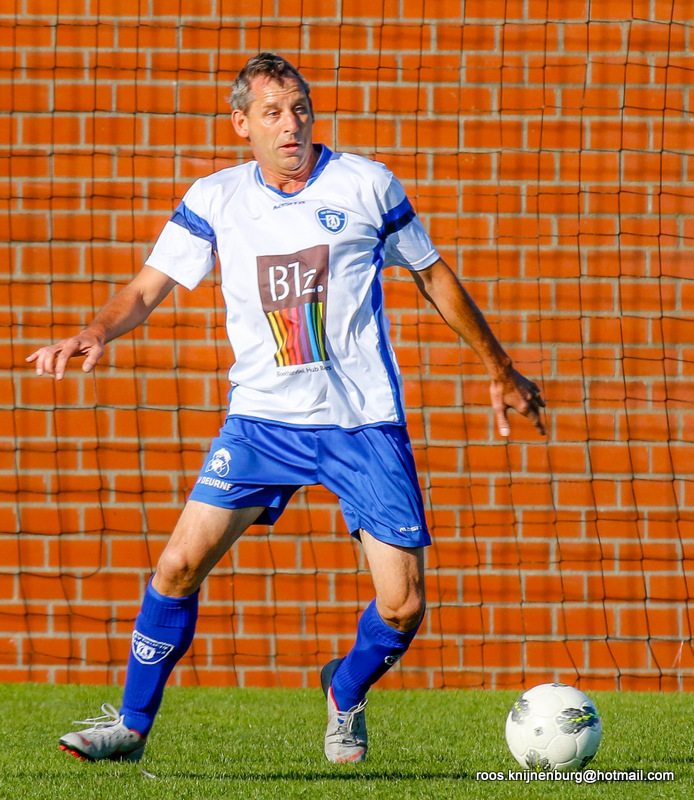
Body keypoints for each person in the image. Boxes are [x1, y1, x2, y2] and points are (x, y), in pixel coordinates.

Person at [27, 53, 546, 765]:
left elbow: (434, 276)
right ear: (242, 124)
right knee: (177, 566)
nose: (291, 124)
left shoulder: (367, 184)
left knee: (403, 607)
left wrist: (500, 368)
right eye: (272, 112)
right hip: (262, 424)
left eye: (300, 107)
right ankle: (132, 725)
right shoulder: (215, 198)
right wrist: (95, 331)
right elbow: (147, 288)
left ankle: (345, 687)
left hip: (362, 424)